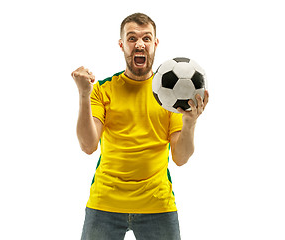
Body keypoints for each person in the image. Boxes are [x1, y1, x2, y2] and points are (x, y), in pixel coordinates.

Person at [71, 12, 208, 240]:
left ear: (155, 44)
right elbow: (88, 145)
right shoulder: (104, 89)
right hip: (105, 203)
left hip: (157, 205)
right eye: (132, 38)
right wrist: (84, 95)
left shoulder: (170, 97)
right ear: (122, 44)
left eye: (146, 38)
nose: (139, 44)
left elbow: (181, 158)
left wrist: (190, 122)